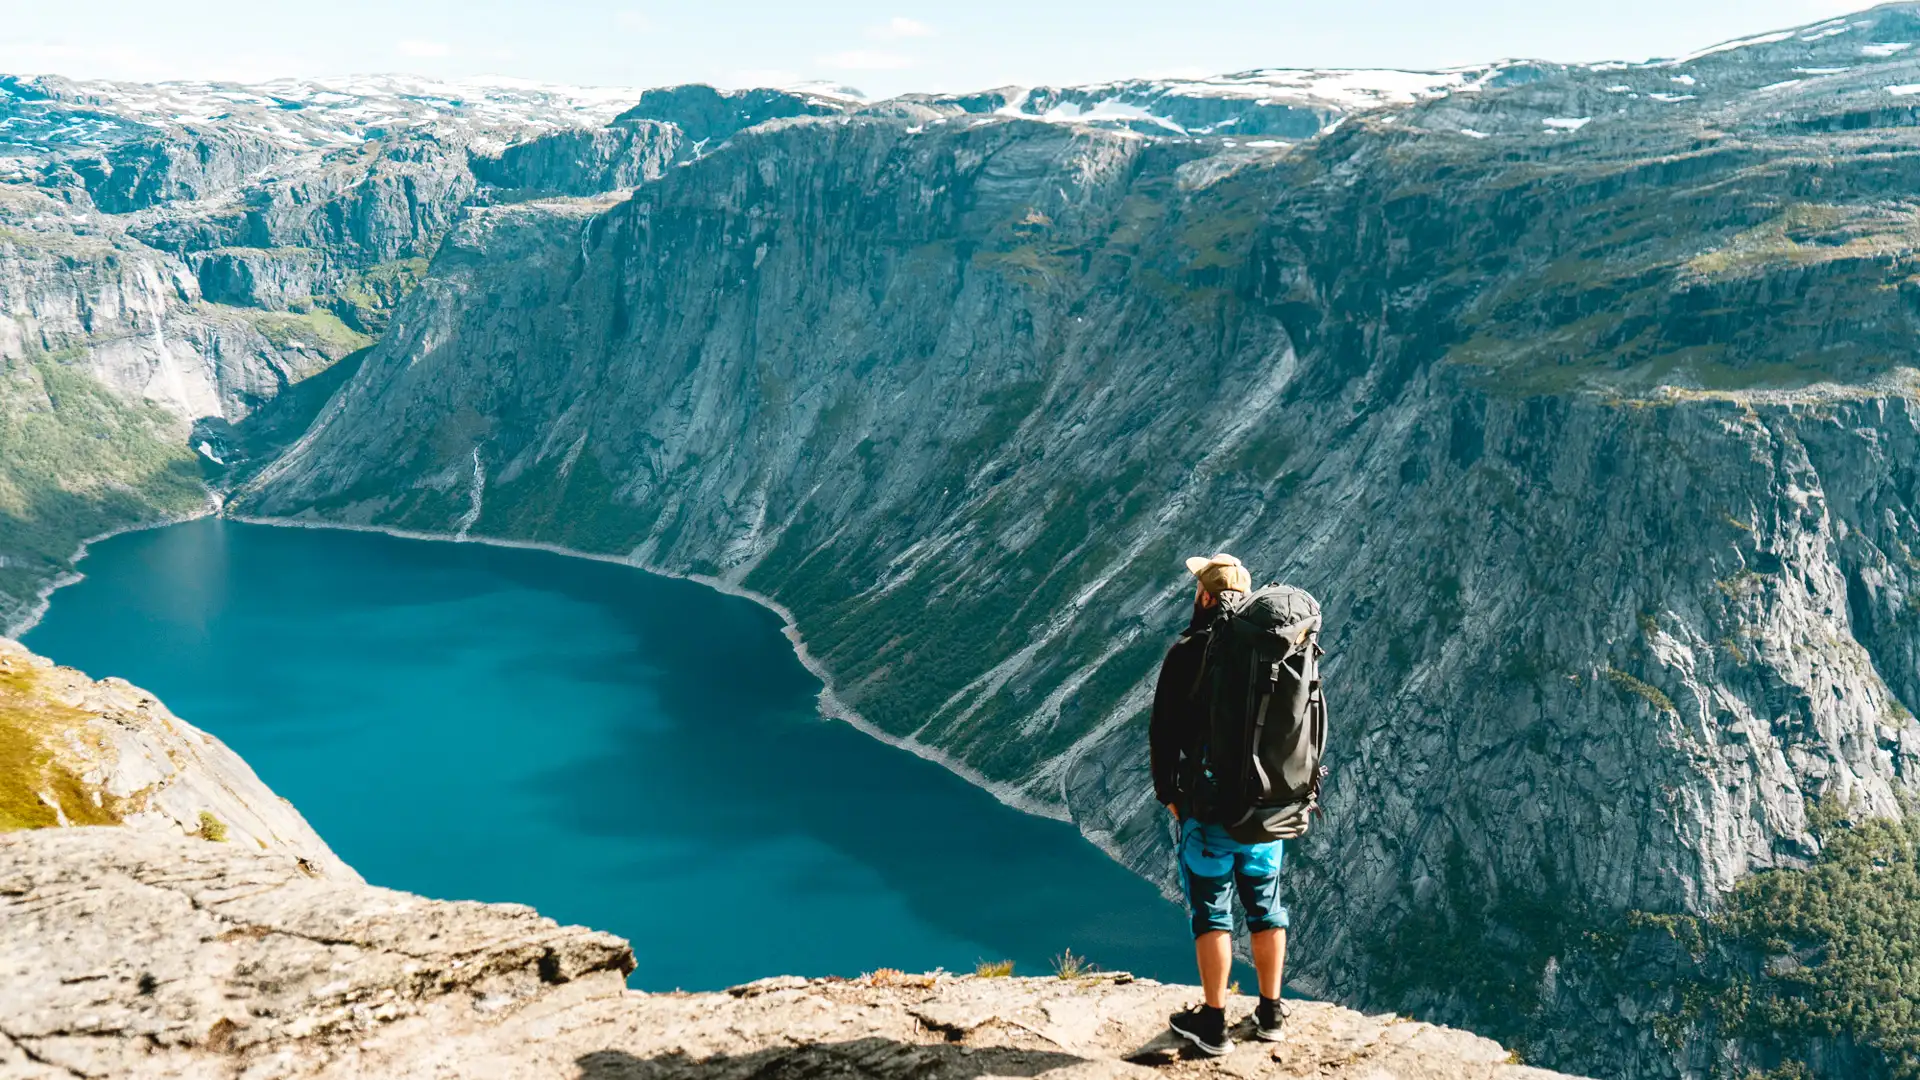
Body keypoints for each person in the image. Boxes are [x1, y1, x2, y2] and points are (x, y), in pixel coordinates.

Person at [1149, 552, 1288, 1055]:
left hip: (1207, 810)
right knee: (1266, 906)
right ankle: (1271, 1012)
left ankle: (1213, 1024)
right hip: (1267, 810)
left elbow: (1163, 732)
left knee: (1212, 911)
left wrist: (1169, 794)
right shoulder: (1273, 652)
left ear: (1206, 596)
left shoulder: (1188, 652)